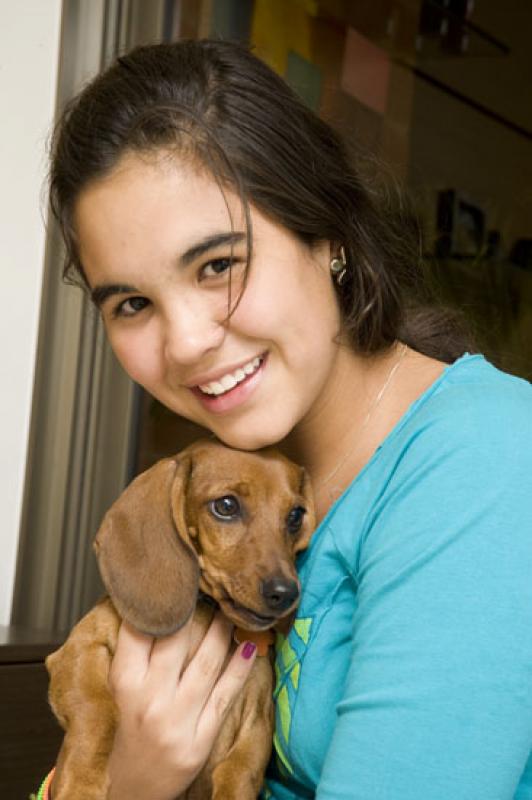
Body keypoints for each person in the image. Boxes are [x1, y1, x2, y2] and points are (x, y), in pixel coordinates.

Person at [40, 38, 532, 799]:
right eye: (132, 303)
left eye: (218, 265)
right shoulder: (245, 483)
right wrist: (136, 777)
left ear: (327, 235)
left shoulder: (486, 463)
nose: (187, 342)